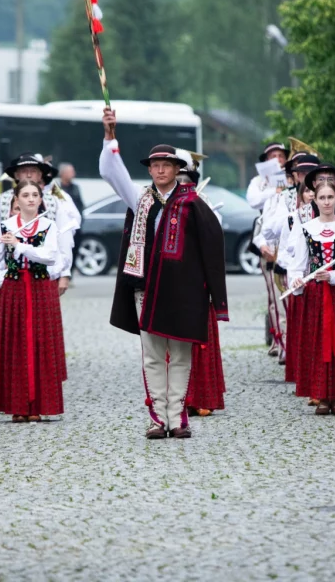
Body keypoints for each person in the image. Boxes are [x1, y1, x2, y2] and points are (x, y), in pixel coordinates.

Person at [99, 107, 229, 439]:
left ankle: (178, 417)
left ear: (176, 169)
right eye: (155, 165)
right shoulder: (140, 199)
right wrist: (110, 136)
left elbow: (211, 245)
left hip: (183, 292)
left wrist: (210, 292)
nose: (159, 170)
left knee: (181, 355)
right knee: (154, 356)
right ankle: (158, 418)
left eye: (166, 165)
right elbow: (112, 172)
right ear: (150, 169)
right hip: (146, 289)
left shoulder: (193, 204)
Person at [0, 180, 66, 422]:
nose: (30, 199)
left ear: (40, 199)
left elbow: (50, 256)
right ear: (16, 199)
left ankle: (38, 405)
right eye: (25, 195)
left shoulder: (48, 225)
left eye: (34, 195)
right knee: (14, 344)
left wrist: (20, 245)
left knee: (39, 343)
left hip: (39, 288)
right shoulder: (5, 226)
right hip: (13, 289)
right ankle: (16, 406)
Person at [287, 180, 335, 415]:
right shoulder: (306, 228)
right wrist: (297, 280)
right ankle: (320, 395)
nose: (327, 202)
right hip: (316, 295)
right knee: (318, 342)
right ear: (315, 200)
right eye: (322, 198)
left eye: (330, 197)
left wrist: (334, 276)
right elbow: (297, 264)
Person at [0, 154, 81, 296]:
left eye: (34, 171)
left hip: (45, 274)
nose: (29, 175)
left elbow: (64, 239)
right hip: (10, 275)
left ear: (40, 175)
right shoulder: (3, 201)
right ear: (16, 175)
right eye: (24, 171)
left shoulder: (54, 201)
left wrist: (65, 274)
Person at [176, 154, 226, 417]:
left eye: (186, 181)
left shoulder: (203, 205)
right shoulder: (162, 205)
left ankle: (202, 396)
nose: (182, 185)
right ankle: (178, 399)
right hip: (171, 283)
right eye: (178, 180)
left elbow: (213, 246)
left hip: (197, 281)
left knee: (200, 340)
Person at [264, 153, 321, 380]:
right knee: (291, 315)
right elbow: (269, 229)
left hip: (319, 268)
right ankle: (294, 357)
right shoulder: (285, 197)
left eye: (310, 173)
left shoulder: (327, 197)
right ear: (295, 176)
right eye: (301, 173)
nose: (305, 177)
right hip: (291, 265)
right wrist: (293, 216)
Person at [247, 142, 289, 359]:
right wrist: (274, 190)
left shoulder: (291, 179)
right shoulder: (258, 181)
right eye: (273, 156)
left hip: (287, 241)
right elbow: (253, 201)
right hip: (266, 237)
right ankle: (278, 338)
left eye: (281, 156)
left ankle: (288, 340)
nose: (278, 160)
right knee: (274, 293)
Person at [57, 162, 84, 278]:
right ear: (63, 174)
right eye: (70, 172)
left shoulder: (75, 188)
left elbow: (80, 205)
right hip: (62, 225)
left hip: (75, 224)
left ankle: (69, 274)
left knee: (75, 248)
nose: (73, 174)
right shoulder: (57, 189)